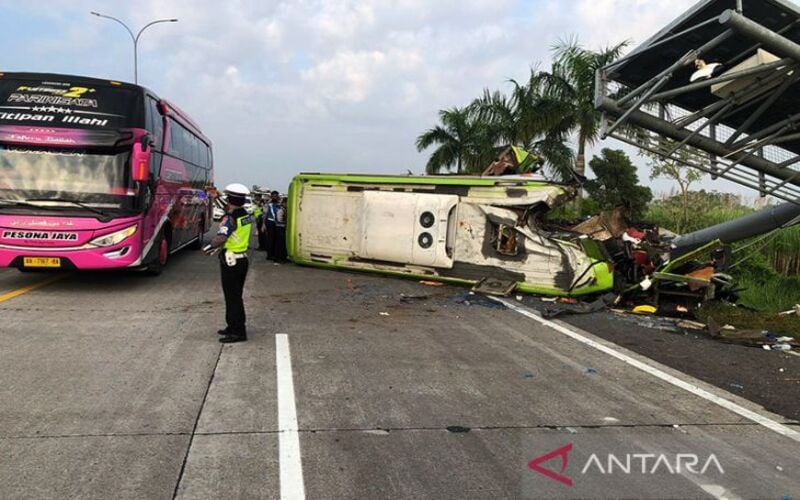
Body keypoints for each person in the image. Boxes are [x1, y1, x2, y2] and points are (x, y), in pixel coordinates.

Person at [203, 183, 253, 343]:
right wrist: (216, 197)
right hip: (241, 259)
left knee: (232, 297)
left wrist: (208, 247)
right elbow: (229, 209)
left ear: (230, 199)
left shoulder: (231, 218)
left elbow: (222, 237)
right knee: (235, 296)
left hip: (232, 261)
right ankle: (232, 326)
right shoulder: (245, 214)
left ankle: (238, 332)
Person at [264, 190, 281, 261]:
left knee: (276, 240)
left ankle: (274, 254)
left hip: (277, 224)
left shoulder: (279, 204)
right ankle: (269, 255)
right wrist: (263, 224)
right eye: (273, 196)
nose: (275, 197)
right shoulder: (268, 204)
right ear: (271, 196)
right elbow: (264, 214)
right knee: (270, 239)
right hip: (270, 223)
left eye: (276, 196)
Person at [274, 197, 288, 263]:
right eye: (287, 203)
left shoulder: (285, 209)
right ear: (284, 203)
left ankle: (283, 257)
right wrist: (286, 222)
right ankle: (278, 258)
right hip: (280, 228)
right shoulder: (280, 210)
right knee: (280, 244)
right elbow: (279, 220)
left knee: (283, 244)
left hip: (283, 228)